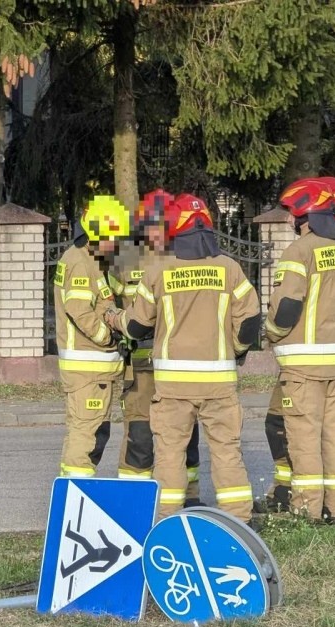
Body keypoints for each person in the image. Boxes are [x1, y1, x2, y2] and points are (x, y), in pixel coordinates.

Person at [112, 194, 262, 522]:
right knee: (227, 454)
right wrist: (236, 350)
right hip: (219, 385)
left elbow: (136, 326)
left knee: (169, 455)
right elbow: (251, 321)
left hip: (173, 387)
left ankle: (167, 522)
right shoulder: (229, 268)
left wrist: (113, 319)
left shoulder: (159, 272)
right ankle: (241, 523)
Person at [258, 177, 335, 513]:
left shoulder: (299, 250)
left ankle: (306, 512)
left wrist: (272, 333)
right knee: (333, 438)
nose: (291, 220)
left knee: (304, 438)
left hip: (302, 368)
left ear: (306, 216)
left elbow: (287, 305)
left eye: (294, 214)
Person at [110, 189, 202, 504]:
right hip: (140, 365)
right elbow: (118, 305)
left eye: (162, 224)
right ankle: (132, 501)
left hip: (177, 363)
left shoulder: (186, 256)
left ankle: (189, 496)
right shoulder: (127, 258)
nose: (156, 231)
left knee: (185, 433)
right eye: (151, 224)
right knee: (140, 434)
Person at [53, 195, 130, 478]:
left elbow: (106, 294)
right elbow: (79, 311)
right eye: (113, 238)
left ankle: (73, 491)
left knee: (89, 432)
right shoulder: (79, 263)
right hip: (88, 367)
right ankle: (78, 495)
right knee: (87, 436)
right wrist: (107, 339)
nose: (116, 244)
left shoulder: (90, 257)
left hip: (94, 369)